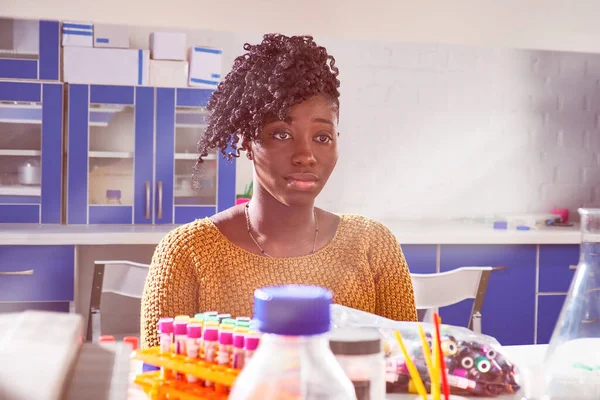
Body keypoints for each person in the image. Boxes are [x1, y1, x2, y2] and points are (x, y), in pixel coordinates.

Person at [141, 33, 417, 348]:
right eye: (281, 134)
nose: (305, 155)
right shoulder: (186, 254)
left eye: (323, 137)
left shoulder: (373, 246)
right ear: (248, 142)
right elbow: (159, 383)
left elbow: (408, 373)